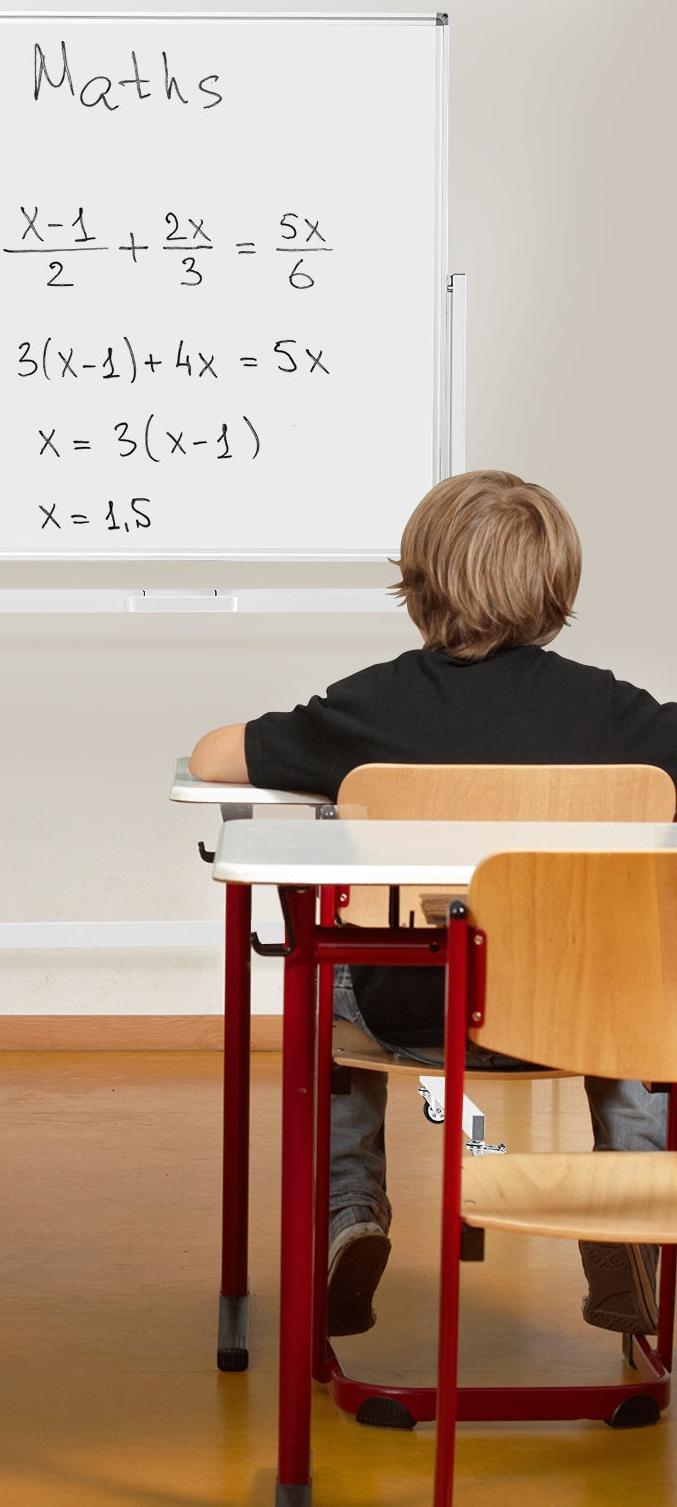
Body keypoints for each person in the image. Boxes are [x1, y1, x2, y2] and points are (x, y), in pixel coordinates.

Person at [189, 469, 677, 1342]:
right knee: (627, 967)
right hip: (569, 1020)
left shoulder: (374, 708)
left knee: (325, 957)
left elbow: (216, 755)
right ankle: (626, 1201)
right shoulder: (613, 715)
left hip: (409, 1011)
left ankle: (352, 1211)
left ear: (416, 584)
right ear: (558, 588)